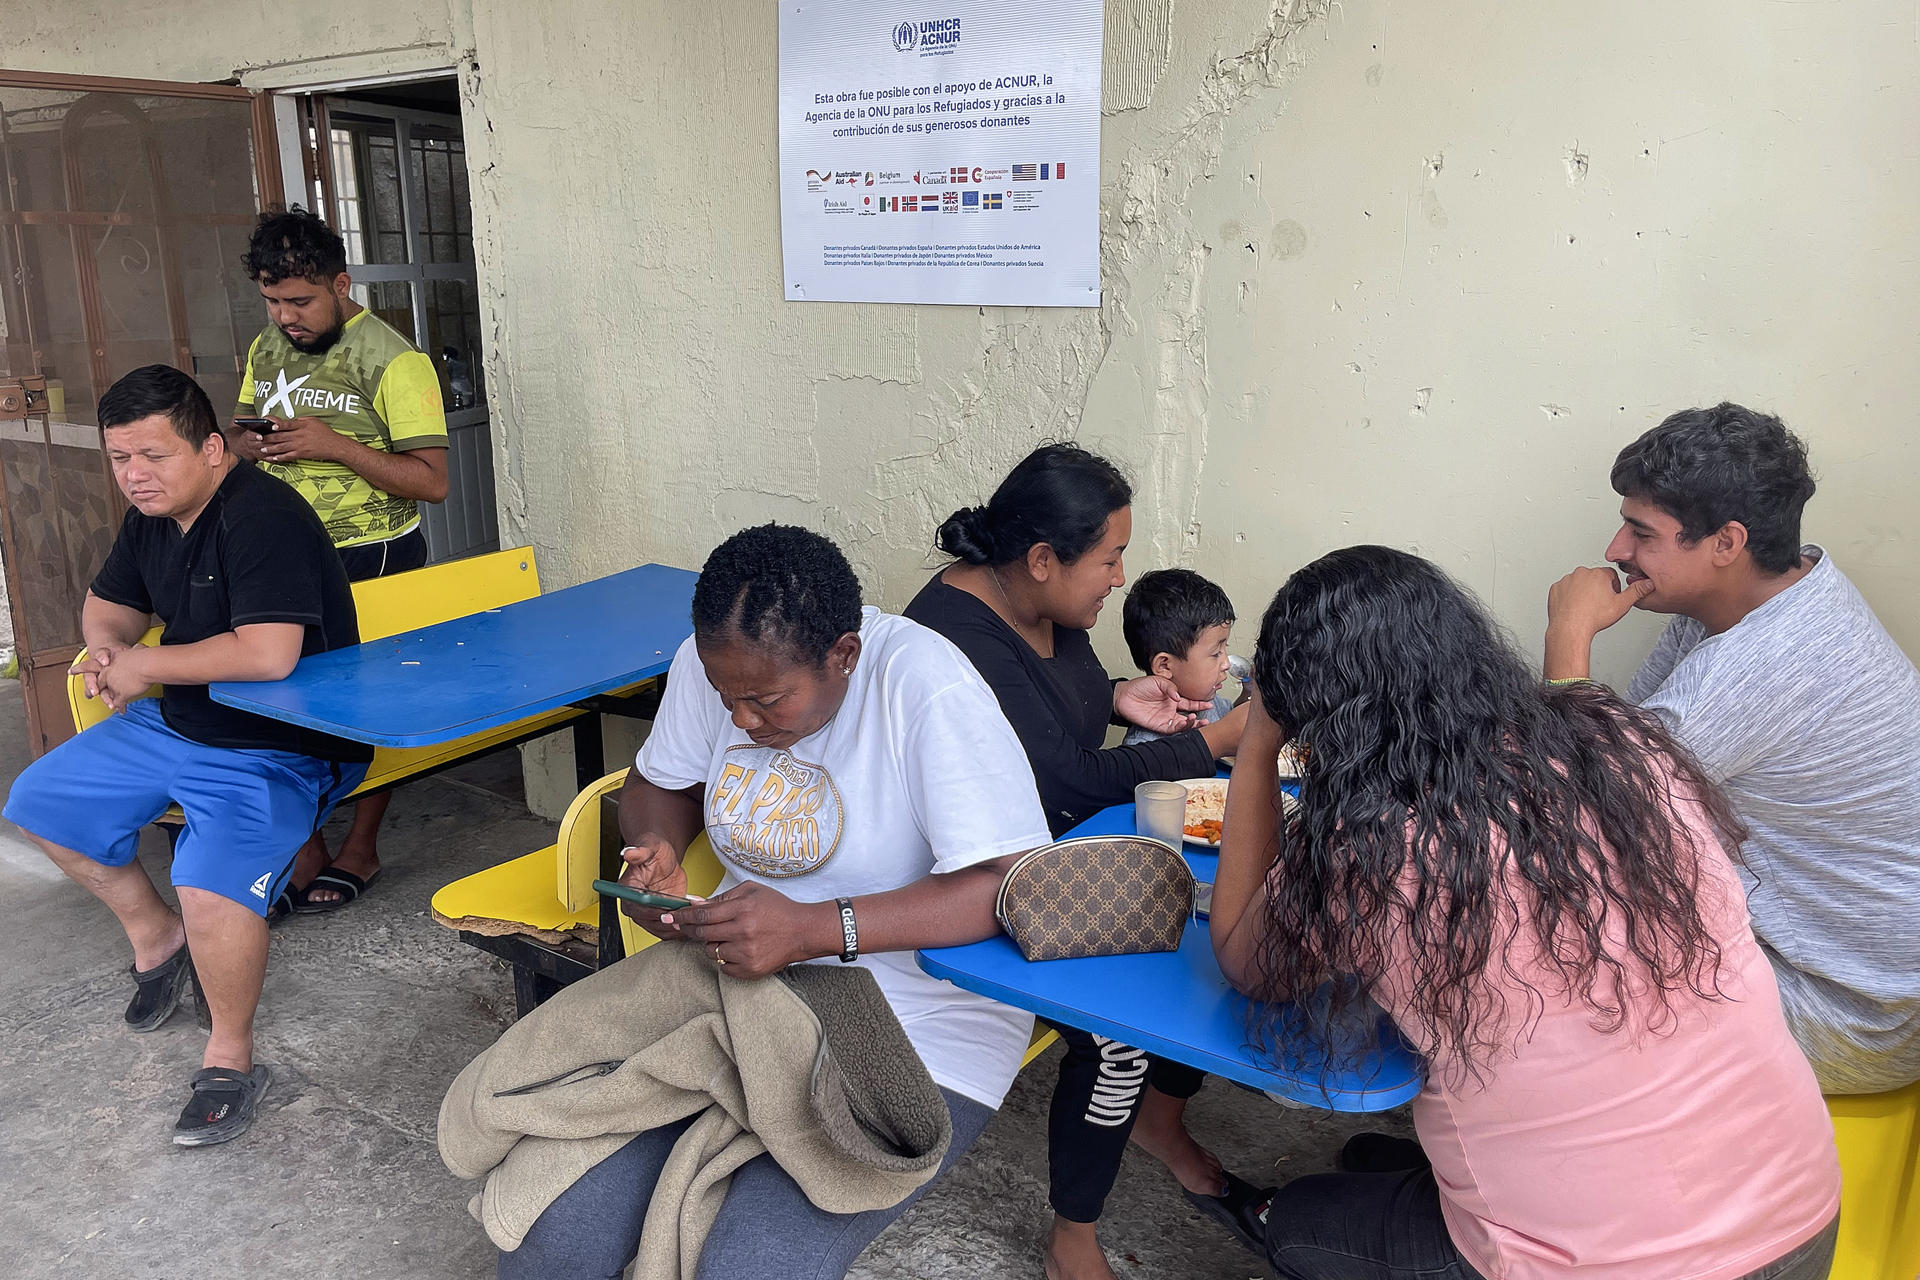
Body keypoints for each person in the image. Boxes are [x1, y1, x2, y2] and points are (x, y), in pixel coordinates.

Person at [1215, 545, 1840, 1280]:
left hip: (1603, 1267)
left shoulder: (1374, 847)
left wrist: (1257, 741)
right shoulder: (1624, 748)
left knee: (1296, 1222)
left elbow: (1243, 960)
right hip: (1802, 1216)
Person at [499, 523, 1053, 1280]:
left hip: (915, 1023)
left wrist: (816, 929)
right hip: (742, 989)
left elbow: (1012, 889)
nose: (741, 723)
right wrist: (654, 854)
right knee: (553, 1238)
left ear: (844, 657)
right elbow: (660, 782)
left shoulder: (924, 685)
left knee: (752, 1266)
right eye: (728, 699)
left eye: (764, 701)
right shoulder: (719, 662)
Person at [904, 444, 1259, 1280]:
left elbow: (1050, 715)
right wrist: (1211, 742)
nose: (1118, 577)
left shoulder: (1046, 605)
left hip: (1059, 844)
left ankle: (1158, 1125)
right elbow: (1061, 774)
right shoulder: (950, 641)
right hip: (978, 881)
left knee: (1198, 935)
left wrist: (1116, 695)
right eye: (1108, 558)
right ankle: (1073, 1235)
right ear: (1041, 558)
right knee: (1119, 1033)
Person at [1, 365, 371, 1146]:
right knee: (41, 802)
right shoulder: (154, 516)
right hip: (179, 723)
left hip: (280, 744)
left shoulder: (261, 517)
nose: (134, 476)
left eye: (153, 456)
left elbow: (270, 654)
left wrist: (144, 667)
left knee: (208, 886)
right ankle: (155, 940)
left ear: (210, 447)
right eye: (119, 459)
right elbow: (108, 606)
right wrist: (108, 654)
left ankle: (229, 1060)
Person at [1545, 402, 1920, 1094]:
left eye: (1640, 532)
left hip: (1851, 1010)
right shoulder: (1767, 599)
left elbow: (1583, 811)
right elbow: (1621, 756)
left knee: (1547, 945)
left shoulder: (1761, 666)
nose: (1615, 552)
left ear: (1727, 543)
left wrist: (1567, 639)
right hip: (1827, 959)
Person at [230, 207, 450, 914]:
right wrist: (249, 447)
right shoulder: (267, 348)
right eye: (272, 301)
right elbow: (240, 436)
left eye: (300, 301)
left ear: (340, 284)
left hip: (371, 556)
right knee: (282, 700)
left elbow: (432, 481)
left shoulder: (395, 360)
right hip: (281, 556)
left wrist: (335, 446)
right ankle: (306, 844)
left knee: (366, 707)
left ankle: (362, 843)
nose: (286, 316)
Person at [1119, 568, 1239, 746]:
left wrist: (1251, 691)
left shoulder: (1210, 702)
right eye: (1215, 653)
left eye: (1225, 648)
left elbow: (1236, 720)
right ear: (1165, 666)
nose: (1226, 664)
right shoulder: (1143, 747)